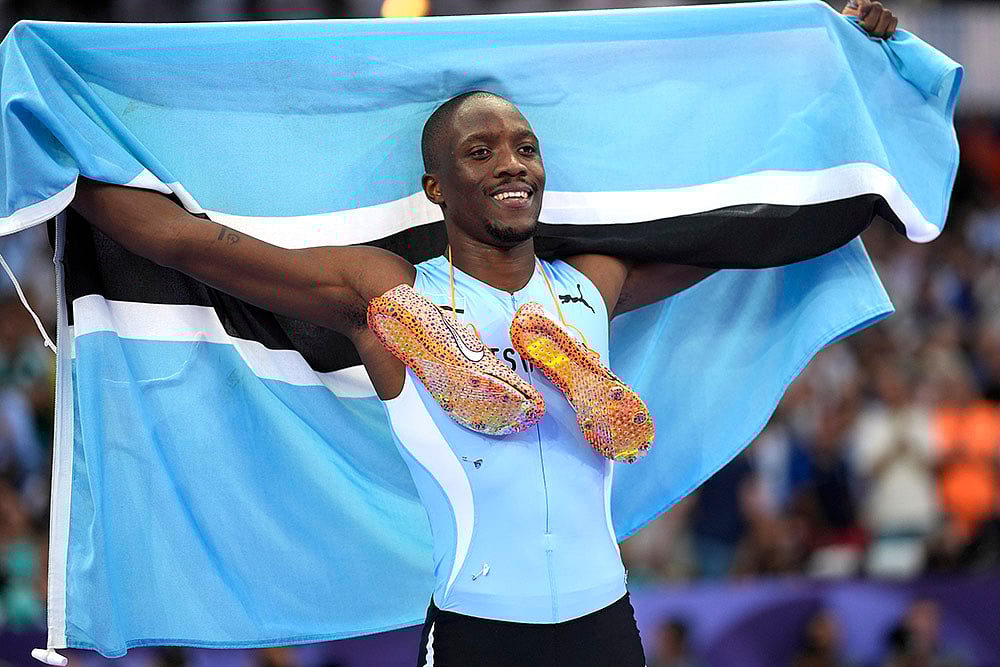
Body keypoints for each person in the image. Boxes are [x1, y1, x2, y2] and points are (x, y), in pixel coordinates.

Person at [67, 3, 899, 664]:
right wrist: (55, 135)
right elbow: (190, 243)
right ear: (434, 185)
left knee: (615, 297)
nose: (513, 163)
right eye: (482, 150)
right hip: (477, 628)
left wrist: (844, 76)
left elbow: (745, 224)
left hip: (604, 622)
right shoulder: (383, 291)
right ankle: (461, 364)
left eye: (528, 148)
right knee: (416, 328)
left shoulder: (591, 284)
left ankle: (567, 381)